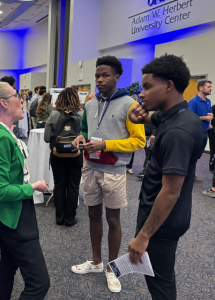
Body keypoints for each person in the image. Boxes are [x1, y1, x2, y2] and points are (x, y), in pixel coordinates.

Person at [127, 54, 204, 300]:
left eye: (148, 87)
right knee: (160, 278)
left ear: (169, 85)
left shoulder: (178, 132)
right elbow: (144, 117)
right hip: (168, 216)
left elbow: (171, 191)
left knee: (160, 285)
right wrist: (133, 116)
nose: (142, 93)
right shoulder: (177, 115)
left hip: (162, 221)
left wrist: (143, 236)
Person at [0, 82, 50, 299]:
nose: (22, 99)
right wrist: (33, 187)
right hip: (14, 214)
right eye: (16, 96)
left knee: (8, 265)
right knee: (39, 283)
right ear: (4, 103)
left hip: (9, 214)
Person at [71, 56, 145, 293]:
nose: (100, 80)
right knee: (93, 215)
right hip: (90, 167)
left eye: (105, 75)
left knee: (113, 220)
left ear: (117, 77)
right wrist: (81, 137)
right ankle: (95, 261)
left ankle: (112, 269)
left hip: (114, 171)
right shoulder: (91, 104)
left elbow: (139, 141)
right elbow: (85, 129)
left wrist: (106, 145)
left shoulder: (130, 105)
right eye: (97, 76)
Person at [44, 88, 83, 227]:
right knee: (73, 186)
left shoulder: (54, 115)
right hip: (76, 155)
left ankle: (59, 218)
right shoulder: (81, 115)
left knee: (59, 185)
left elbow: (47, 138)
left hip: (57, 155)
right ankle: (70, 218)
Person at [188, 80, 212, 182]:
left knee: (197, 155)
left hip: (205, 132)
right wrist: (204, 118)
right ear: (201, 88)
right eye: (208, 87)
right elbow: (189, 117)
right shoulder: (193, 102)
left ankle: (191, 175)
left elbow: (209, 114)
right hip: (196, 132)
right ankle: (188, 176)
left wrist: (210, 118)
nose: (211, 88)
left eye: (211, 87)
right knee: (192, 154)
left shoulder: (208, 101)